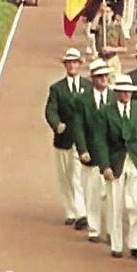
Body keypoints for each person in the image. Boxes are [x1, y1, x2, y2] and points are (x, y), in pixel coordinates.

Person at [95, 74, 137, 260]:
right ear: (116, 92)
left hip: (135, 160)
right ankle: (116, 245)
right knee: (115, 203)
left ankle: (136, 244)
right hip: (115, 161)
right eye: (123, 91)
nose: (126, 94)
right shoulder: (105, 112)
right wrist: (105, 166)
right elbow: (100, 141)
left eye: (129, 91)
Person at [44, 47, 89, 230]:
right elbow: (50, 110)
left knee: (77, 176)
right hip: (63, 140)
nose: (72, 65)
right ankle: (70, 211)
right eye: (68, 62)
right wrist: (57, 124)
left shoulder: (88, 87)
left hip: (82, 140)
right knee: (64, 176)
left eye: (74, 62)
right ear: (65, 66)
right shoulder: (57, 89)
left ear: (79, 64)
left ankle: (81, 212)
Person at [73, 58, 113, 242]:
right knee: (92, 193)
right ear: (93, 78)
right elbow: (78, 126)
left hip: (111, 156)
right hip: (91, 154)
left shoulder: (114, 97)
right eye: (99, 76)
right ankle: (95, 229)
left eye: (105, 75)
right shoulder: (82, 100)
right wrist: (82, 149)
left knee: (111, 198)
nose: (103, 78)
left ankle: (113, 231)